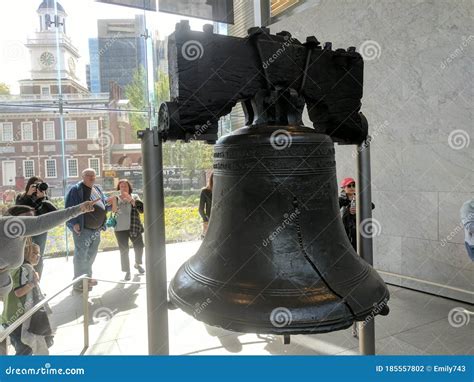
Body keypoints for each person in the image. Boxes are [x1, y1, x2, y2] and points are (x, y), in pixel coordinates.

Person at [0, 202, 97, 300]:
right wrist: (78, 209)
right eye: (27, 218)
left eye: (32, 217)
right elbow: (41, 222)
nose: (30, 221)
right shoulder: (7, 225)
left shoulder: (19, 237)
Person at [338, 177, 375, 338]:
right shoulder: (341, 200)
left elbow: (371, 205)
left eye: (354, 185)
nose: (352, 188)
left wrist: (359, 205)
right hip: (347, 244)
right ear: (344, 188)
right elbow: (336, 205)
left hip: (358, 241)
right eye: (349, 186)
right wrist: (348, 205)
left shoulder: (360, 199)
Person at [1, 241, 53, 355]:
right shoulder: (25, 269)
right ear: (25, 253)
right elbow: (19, 292)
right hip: (18, 320)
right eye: (34, 253)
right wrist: (33, 284)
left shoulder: (13, 268)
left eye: (39, 253)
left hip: (8, 318)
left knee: (22, 349)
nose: (38, 256)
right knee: (25, 350)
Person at [65, 168, 110, 293]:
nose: (92, 178)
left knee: (91, 255)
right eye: (89, 175)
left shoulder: (97, 189)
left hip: (96, 229)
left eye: (94, 176)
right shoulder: (76, 190)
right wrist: (73, 224)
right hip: (83, 229)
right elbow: (69, 208)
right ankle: (78, 283)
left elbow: (104, 204)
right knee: (81, 256)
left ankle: (87, 279)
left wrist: (111, 202)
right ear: (83, 176)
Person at [15, 176, 57, 279]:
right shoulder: (21, 197)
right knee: (24, 256)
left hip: (40, 232)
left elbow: (52, 214)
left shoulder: (44, 198)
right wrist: (28, 196)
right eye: (35, 185)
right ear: (30, 186)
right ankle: (24, 283)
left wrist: (42, 199)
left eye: (40, 185)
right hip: (26, 232)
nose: (38, 187)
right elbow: (18, 211)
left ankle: (36, 284)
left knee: (38, 257)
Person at [110, 179, 145, 281]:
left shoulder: (135, 196)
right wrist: (114, 201)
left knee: (139, 246)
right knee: (124, 251)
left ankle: (137, 264)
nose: (123, 188)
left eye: (125, 186)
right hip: (120, 228)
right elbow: (114, 211)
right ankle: (127, 271)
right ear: (119, 188)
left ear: (129, 187)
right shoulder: (116, 198)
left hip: (133, 226)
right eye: (121, 187)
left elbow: (141, 210)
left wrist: (131, 200)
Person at [199, 172, 213, 237]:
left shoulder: (205, 191)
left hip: (211, 219)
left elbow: (201, 209)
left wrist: (205, 220)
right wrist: (205, 220)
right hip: (210, 220)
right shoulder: (205, 191)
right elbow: (200, 209)